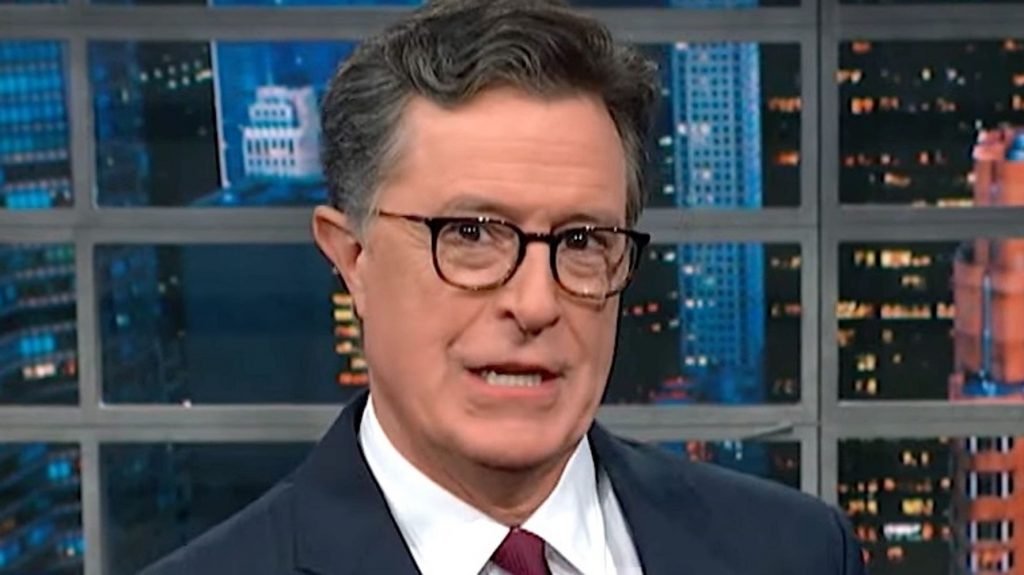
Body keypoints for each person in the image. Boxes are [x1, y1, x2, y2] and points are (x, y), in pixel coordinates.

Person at [141, 1, 865, 574]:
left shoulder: (797, 552)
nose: (536, 303)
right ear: (353, 258)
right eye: (471, 234)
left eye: (581, 241)